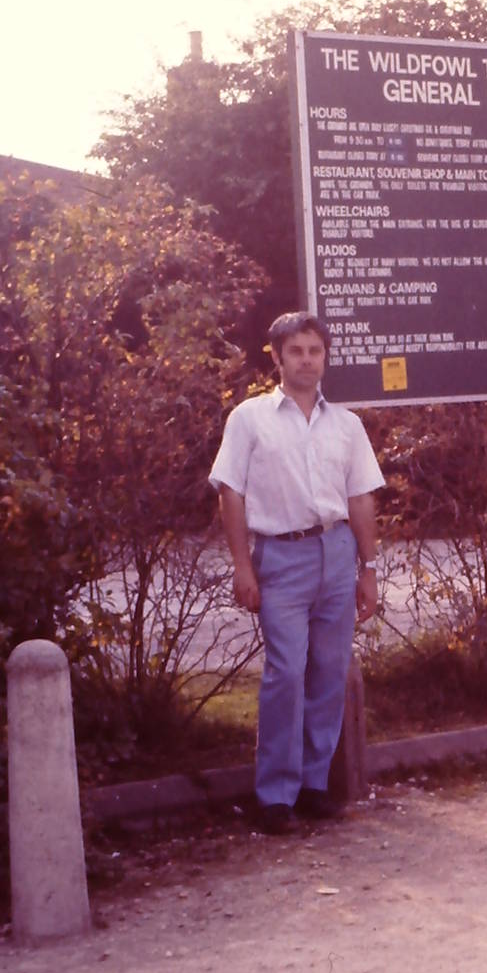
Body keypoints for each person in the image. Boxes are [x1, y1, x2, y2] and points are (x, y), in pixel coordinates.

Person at [209, 311, 385, 834]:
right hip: (280, 558)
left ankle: (314, 786)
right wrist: (243, 565)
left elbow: (360, 498)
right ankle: (275, 796)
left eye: (315, 350)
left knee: (329, 672)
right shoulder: (249, 419)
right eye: (296, 351)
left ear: (325, 356)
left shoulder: (346, 425)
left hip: (336, 554)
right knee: (286, 673)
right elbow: (230, 493)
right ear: (278, 357)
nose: (306, 360)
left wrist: (368, 569)